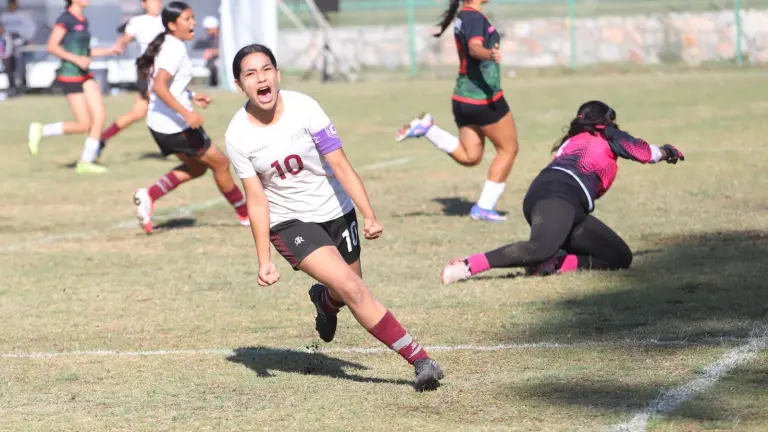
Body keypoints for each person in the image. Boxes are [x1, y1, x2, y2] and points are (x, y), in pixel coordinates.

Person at [225, 43, 444, 392]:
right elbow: (256, 199)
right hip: (290, 222)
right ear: (239, 85)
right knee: (353, 288)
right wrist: (264, 259)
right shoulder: (237, 135)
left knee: (346, 290)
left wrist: (369, 214)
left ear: (278, 75)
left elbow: (340, 164)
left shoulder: (305, 107)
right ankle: (421, 360)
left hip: (337, 210)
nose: (261, 79)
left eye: (266, 70)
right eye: (250, 74)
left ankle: (324, 301)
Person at [440, 100, 685, 285]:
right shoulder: (604, 132)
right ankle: (467, 266)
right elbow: (644, 153)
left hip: (562, 201)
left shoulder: (571, 140)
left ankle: (553, 264)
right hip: (557, 196)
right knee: (539, 247)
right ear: (606, 120)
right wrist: (668, 151)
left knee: (619, 257)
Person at [395, 0, 518, 222]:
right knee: (508, 149)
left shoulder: (464, 16)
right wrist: (489, 54)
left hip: (462, 99)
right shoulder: (474, 18)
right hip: (483, 99)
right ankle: (484, 207)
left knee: (471, 156)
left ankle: (428, 129)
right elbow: (474, 48)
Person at [132, 1, 248, 233]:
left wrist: (192, 96)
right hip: (176, 125)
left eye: (192, 17)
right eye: (187, 19)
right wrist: (187, 113)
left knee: (196, 168)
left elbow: (168, 85)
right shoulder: (173, 50)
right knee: (221, 164)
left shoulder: (169, 43)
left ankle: (149, 194)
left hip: (160, 124)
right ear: (172, 25)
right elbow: (160, 87)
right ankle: (247, 215)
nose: (193, 22)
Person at [26, 0, 121, 173]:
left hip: (85, 74)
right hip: (70, 75)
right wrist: (76, 59)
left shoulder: (83, 20)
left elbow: (85, 51)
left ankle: (86, 161)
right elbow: (52, 46)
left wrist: (110, 50)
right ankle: (42, 130)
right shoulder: (65, 20)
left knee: (100, 116)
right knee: (84, 124)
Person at [98, 0, 164, 152]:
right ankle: (189, 148)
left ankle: (101, 138)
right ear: (144, 4)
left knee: (138, 112)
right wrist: (118, 45)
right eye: (153, 1)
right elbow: (125, 40)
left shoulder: (167, 20)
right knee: (169, 107)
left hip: (163, 71)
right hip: (147, 71)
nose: (157, 4)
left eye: (159, 1)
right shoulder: (137, 21)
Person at [193, 15, 218, 87]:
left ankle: (214, 84)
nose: (206, 31)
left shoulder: (222, 37)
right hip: (211, 61)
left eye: (208, 29)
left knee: (214, 66)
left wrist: (212, 52)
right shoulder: (210, 38)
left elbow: (225, 51)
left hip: (218, 62)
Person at [0, 23, 15, 95]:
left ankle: (12, 89)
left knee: (9, 74)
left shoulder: (6, 36)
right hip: (2, 57)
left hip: (7, 58)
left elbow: (9, 47)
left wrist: (5, 55)